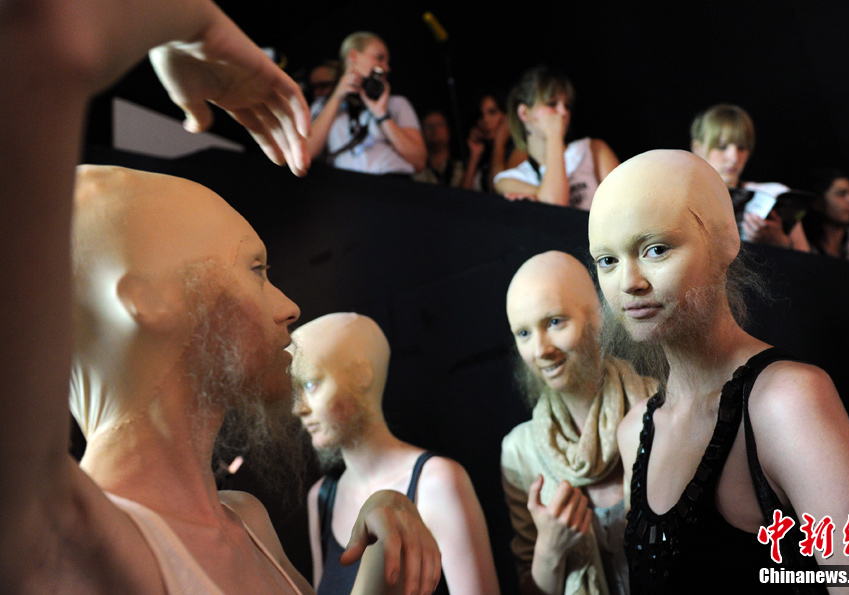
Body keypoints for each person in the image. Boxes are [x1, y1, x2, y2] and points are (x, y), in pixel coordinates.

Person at [0, 2, 441, 593]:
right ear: (148, 299)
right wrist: (192, 20)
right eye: (255, 270)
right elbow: (35, 35)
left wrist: (381, 562)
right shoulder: (66, 534)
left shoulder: (246, 519)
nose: (289, 307)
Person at [587, 150, 849, 593]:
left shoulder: (787, 404)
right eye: (607, 260)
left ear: (727, 241)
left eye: (656, 249)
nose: (629, 282)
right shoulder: (634, 432)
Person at [292, 313, 501, 595]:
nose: (299, 408)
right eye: (295, 391)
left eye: (311, 385)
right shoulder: (321, 498)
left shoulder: (437, 481)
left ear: (361, 375)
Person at [501, 251, 656, 595]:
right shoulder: (518, 452)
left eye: (555, 322)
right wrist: (549, 550)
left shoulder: (660, 408)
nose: (540, 350)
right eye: (523, 333)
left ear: (597, 316)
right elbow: (530, 587)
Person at [494, 67, 620, 209]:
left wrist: (539, 194)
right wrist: (553, 135)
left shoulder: (592, 149)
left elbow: (623, 203)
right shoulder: (509, 179)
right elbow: (555, 204)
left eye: (567, 106)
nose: (563, 112)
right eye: (551, 103)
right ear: (524, 113)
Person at [690, 104, 811, 252]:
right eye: (721, 147)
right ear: (697, 148)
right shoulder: (684, 198)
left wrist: (781, 242)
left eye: (742, 148)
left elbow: (807, 260)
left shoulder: (773, 193)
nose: (734, 158)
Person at [307, 32, 427, 175]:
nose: (386, 68)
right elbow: (306, 154)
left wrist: (382, 115)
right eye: (379, 58)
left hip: (393, 181)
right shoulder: (322, 107)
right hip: (346, 185)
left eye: (387, 62)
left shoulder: (397, 104)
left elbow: (419, 161)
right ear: (353, 56)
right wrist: (337, 97)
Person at [461, 92, 527, 192]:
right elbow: (460, 197)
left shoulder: (520, 148)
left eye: (492, 112)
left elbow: (498, 190)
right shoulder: (483, 152)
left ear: (506, 115)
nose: (486, 120)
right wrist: (474, 156)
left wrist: (499, 142)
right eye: (481, 115)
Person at [413, 110, 465, 187]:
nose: (435, 130)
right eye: (428, 126)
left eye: (440, 124)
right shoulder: (416, 172)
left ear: (448, 129)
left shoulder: (462, 168)